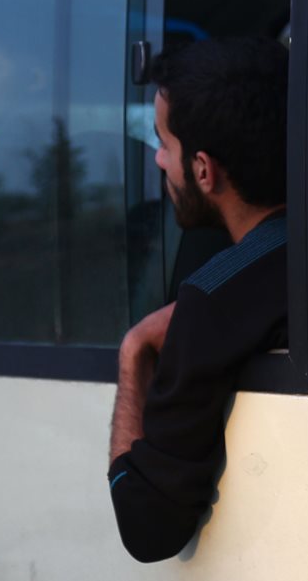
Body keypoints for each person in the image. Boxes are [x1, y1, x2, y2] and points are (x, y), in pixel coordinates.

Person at [107, 36, 288, 563]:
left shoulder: (213, 297)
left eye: (165, 142)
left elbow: (148, 529)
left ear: (205, 171)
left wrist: (134, 349)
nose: (158, 159)